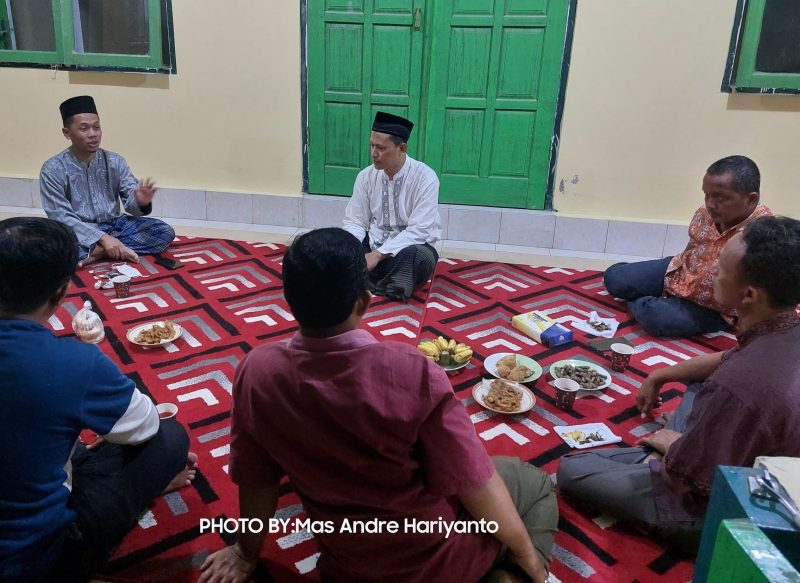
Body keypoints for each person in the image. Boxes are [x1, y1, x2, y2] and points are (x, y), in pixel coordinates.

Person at [199, 228, 558, 583]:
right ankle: (515, 575)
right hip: (438, 563)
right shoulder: (412, 370)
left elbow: (256, 476)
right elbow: (472, 481)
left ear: (289, 300)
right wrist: (529, 558)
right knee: (531, 481)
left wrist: (245, 552)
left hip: (350, 567)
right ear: (364, 301)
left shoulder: (257, 372)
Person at [558, 216, 800, 552]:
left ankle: (655, 457)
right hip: (755, 449)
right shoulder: (785, 327)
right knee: (698, 384)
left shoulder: (737, 387)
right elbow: (729, 359)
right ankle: (665, 448)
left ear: (748, 294)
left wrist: (669, 444)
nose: (712, 269)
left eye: (722, 266)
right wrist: (662, 374)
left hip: (721, 506)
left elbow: (686, 477)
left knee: (573, 470)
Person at [0, 217, 197, 583]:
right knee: (170, 438)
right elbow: (146, 427)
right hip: (36, 558)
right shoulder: (72, 361)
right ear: (61, 292)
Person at [603, 155, 772, 337]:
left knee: (657, 318)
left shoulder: (765, 235)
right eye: (706, 195)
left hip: (714, 308)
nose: (710, 204)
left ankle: (644, 301)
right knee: (615, 278)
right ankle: (652, 298)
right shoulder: (705, 214)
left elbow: (761, 295)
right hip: (681, 272)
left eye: (720, 198)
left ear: (751, 199)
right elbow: (691, 248)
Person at [40, 95, 175, 267]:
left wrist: (140, 202)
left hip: (115, 226)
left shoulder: (115, 161)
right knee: (50, 247)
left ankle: (96, 253)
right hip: (78, 231)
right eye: (84, 129)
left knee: (164, 232)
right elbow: (60, 215)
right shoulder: (53, 169)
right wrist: (102, 238)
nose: (93, 134)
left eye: (97, 127)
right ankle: (110, 248)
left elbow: (131, 206)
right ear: (67, 133)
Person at [343, 111, 442, 302]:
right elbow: (355, 221)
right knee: (342, 250)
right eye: (371, 145)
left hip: (411, 248)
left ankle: (378, 283)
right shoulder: (365, 177)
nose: (374, 153)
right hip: (373, 244)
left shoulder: (425, 178)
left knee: (414, 256)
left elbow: (420, 231)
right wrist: (351, 248)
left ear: (402, 148)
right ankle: (379, 282)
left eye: (380, 148)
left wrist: (378, 255)